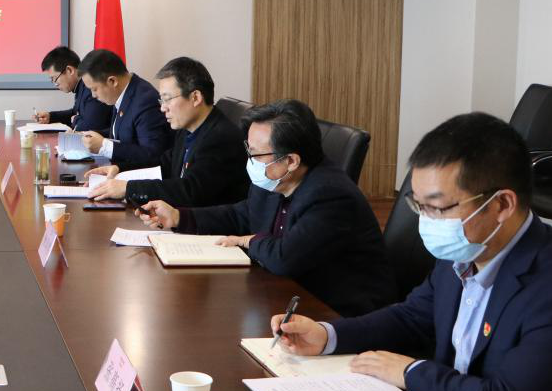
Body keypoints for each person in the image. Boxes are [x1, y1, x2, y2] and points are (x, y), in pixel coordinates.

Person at [272, 113, 552, 391]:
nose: (426, 221)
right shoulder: (467, 250)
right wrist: (328, 335)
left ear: (501, 205)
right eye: (418, 205)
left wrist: (410, 373)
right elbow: (412, 317)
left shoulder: (543, 282)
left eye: (437, 207)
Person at [138, 98, 395, 316]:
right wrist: (179, 217)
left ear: (291, 160)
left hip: (339, 313)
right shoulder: (275, 178)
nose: (249, 160)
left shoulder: (330, 196)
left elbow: (286, 258)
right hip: (287, 296)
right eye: (248, 149)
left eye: (255, 154)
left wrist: (248, 240)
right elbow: (242, 214)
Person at [86, 56, 248, 207]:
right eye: (161, 100)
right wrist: (120, 170)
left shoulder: (220, 138)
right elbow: (165, 164)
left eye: (167, 99)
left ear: (195, 98)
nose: (163, 108)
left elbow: (190, 191)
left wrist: (128, 188)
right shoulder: (189, 128)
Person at [76, 49, 172, 168]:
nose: (93, 95)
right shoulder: (124, 92)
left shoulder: (145, 101)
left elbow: (153, 155)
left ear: (112, 81)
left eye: (94, 89)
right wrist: (91, 135)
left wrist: (105, 146)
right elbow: (124, 132)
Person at [33, 46, 109, 133]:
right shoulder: (80, 87)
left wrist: (75, 119)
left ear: (70, 70)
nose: (55, 84)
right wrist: (50, 116)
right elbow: (75, 112)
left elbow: (89, 127)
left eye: (54, 78)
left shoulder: (91, 87)